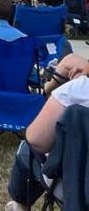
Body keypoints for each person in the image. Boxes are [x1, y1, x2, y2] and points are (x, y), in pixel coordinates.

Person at [7, 55, 89, 209]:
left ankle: (20, 205)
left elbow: (36, 140)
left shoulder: (80, 89)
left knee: (28, 147)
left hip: (76, 191)